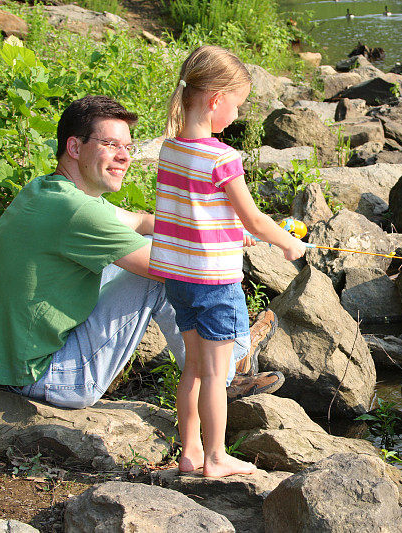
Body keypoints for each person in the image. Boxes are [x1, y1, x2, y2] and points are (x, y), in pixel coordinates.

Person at [0, 94, 281, 413]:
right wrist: (221, 245)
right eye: (110, 145)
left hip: (15, 365)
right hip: (48, 377)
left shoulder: (50, 191)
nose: (124, 157)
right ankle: (225, 377)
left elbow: (139, 221)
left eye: (127, 147)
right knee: (164, 274)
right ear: (74, 147)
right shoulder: (78, 212)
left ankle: (230, 360)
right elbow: (174, 266)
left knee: (154, 254)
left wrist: (209, 225)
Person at [149, 46, 306, 478]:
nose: (236, 115)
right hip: (215, 284)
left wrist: (236, 237)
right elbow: (254, 216)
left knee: (194, 370)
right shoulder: (222, 158)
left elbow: (194, 213)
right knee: (217, 376)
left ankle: (190, 453)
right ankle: (217, 458)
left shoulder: (171, 150)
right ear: (216, 99)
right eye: (236, 105)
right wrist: (288, 245)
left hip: (179, 279)